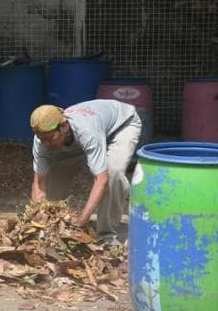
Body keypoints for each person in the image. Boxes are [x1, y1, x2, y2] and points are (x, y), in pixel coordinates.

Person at [29, 100, 142, 246]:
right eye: (41, 139)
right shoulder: (42, 141)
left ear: (63, 126)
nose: (45, 144)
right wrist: (38, 219)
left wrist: (82, 220)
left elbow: (101, 180)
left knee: (113, 174)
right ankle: (51, 229)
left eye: (50, 139)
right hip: (79, 137)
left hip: (121, 126)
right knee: (54, 185)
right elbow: (39, 183)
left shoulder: (86, 132)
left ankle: (106, 235)